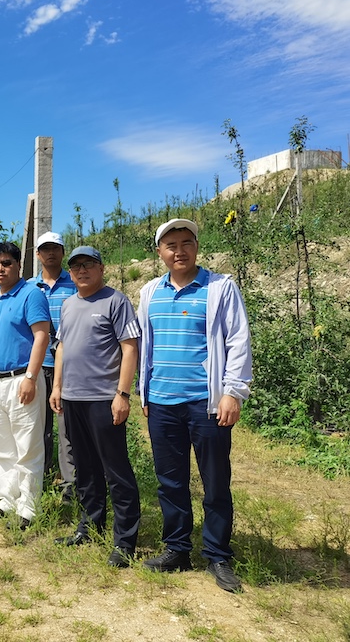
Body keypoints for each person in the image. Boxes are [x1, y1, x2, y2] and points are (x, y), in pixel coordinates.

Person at [138, 218, 252, 593]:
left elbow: (237, 340)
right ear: (160, 252)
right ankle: (177, 549)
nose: (179, 251)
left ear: (197, 247)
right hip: (162, 402)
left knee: (215, 481)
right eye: (171, 245)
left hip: (207, 403)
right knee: (170, 481)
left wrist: (232, 392)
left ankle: (217, 554)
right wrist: (143, 392)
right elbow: (146, 346)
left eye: (186, 243)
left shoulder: (219, 287)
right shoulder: (150, 292)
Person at [50, 246, 141, 568]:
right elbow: (61, 348)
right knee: (85, 468)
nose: (82, 270)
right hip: (72, 399)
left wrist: (122, 394)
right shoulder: (68, 304)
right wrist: (57, 387)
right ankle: (89, 527)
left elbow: (129, 348)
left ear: (101, 268)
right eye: (76, 266)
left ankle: (125, 541)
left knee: (116, 469)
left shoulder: (116, 301)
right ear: (70, 272)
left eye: (88, 264)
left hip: (104, 399)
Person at [0, 242, 51, 529]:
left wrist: (31, 378)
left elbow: (41, 336)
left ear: (18, 265)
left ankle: (28, 507)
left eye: (6, 263)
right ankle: (7, 499)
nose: (0, 269)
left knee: (27, 446)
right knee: (2, 446)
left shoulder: (31, 294)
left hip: (22, 379)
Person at [27, 231, 78, 501]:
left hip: (68, 366)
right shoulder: (28, 287)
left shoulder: (75, 283)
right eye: (45, 249)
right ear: (37, 254)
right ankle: (41, 477)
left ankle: (70, 483)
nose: (50, 253)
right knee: (37, 427)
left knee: (66, 427)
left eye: (55, 248)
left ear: (62, 252)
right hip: (36, 366)